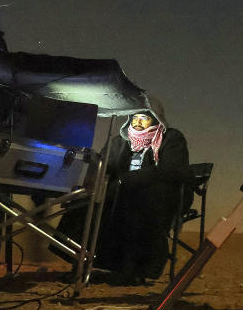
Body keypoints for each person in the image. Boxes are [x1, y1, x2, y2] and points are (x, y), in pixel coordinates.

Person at [55, 101, 193, 285]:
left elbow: (170, 170)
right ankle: (79, 265)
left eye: (144, 118)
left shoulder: (171, 138)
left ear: (156, 119)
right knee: (87, 200)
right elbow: (106, 164)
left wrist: (127, 180)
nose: (138, 122)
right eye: (134, 117)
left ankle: (131, 270)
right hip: (119, 194)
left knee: (137, 201)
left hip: (156, 198)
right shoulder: (121, 140)